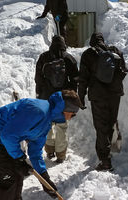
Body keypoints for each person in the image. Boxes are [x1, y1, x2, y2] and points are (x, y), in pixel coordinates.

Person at [0, 90, 82, 200]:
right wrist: (19, 159)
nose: (73, 116)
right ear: (65, 109)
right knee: (9, 179)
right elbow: (8, 136)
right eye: (73, 113)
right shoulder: (39, 110)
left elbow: (35, 151)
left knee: (17, 175)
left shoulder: (47, 121)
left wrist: (44, 177)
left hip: (2, 141)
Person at [78, 32, 128, 171]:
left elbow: (82, 79)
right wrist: (113, 83)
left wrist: (80, 97)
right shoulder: (115, 51)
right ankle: (107, 153)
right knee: (110, 123)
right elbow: (124, 70)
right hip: (115, 95)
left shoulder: (88, 54)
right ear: (103, 41)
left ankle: (104, 160)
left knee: (101, 127)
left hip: (98, 96)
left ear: (92, 42)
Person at [35, 35, 78, 163]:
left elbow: (38, 79)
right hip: (63, 99)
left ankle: (49, 151)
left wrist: (39, 95)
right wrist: (72, 95)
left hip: (46, 99)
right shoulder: (69, 58)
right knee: (61, 126)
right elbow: (75, 79)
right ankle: (61, 155)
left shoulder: (43, 57)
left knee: (48, 125)